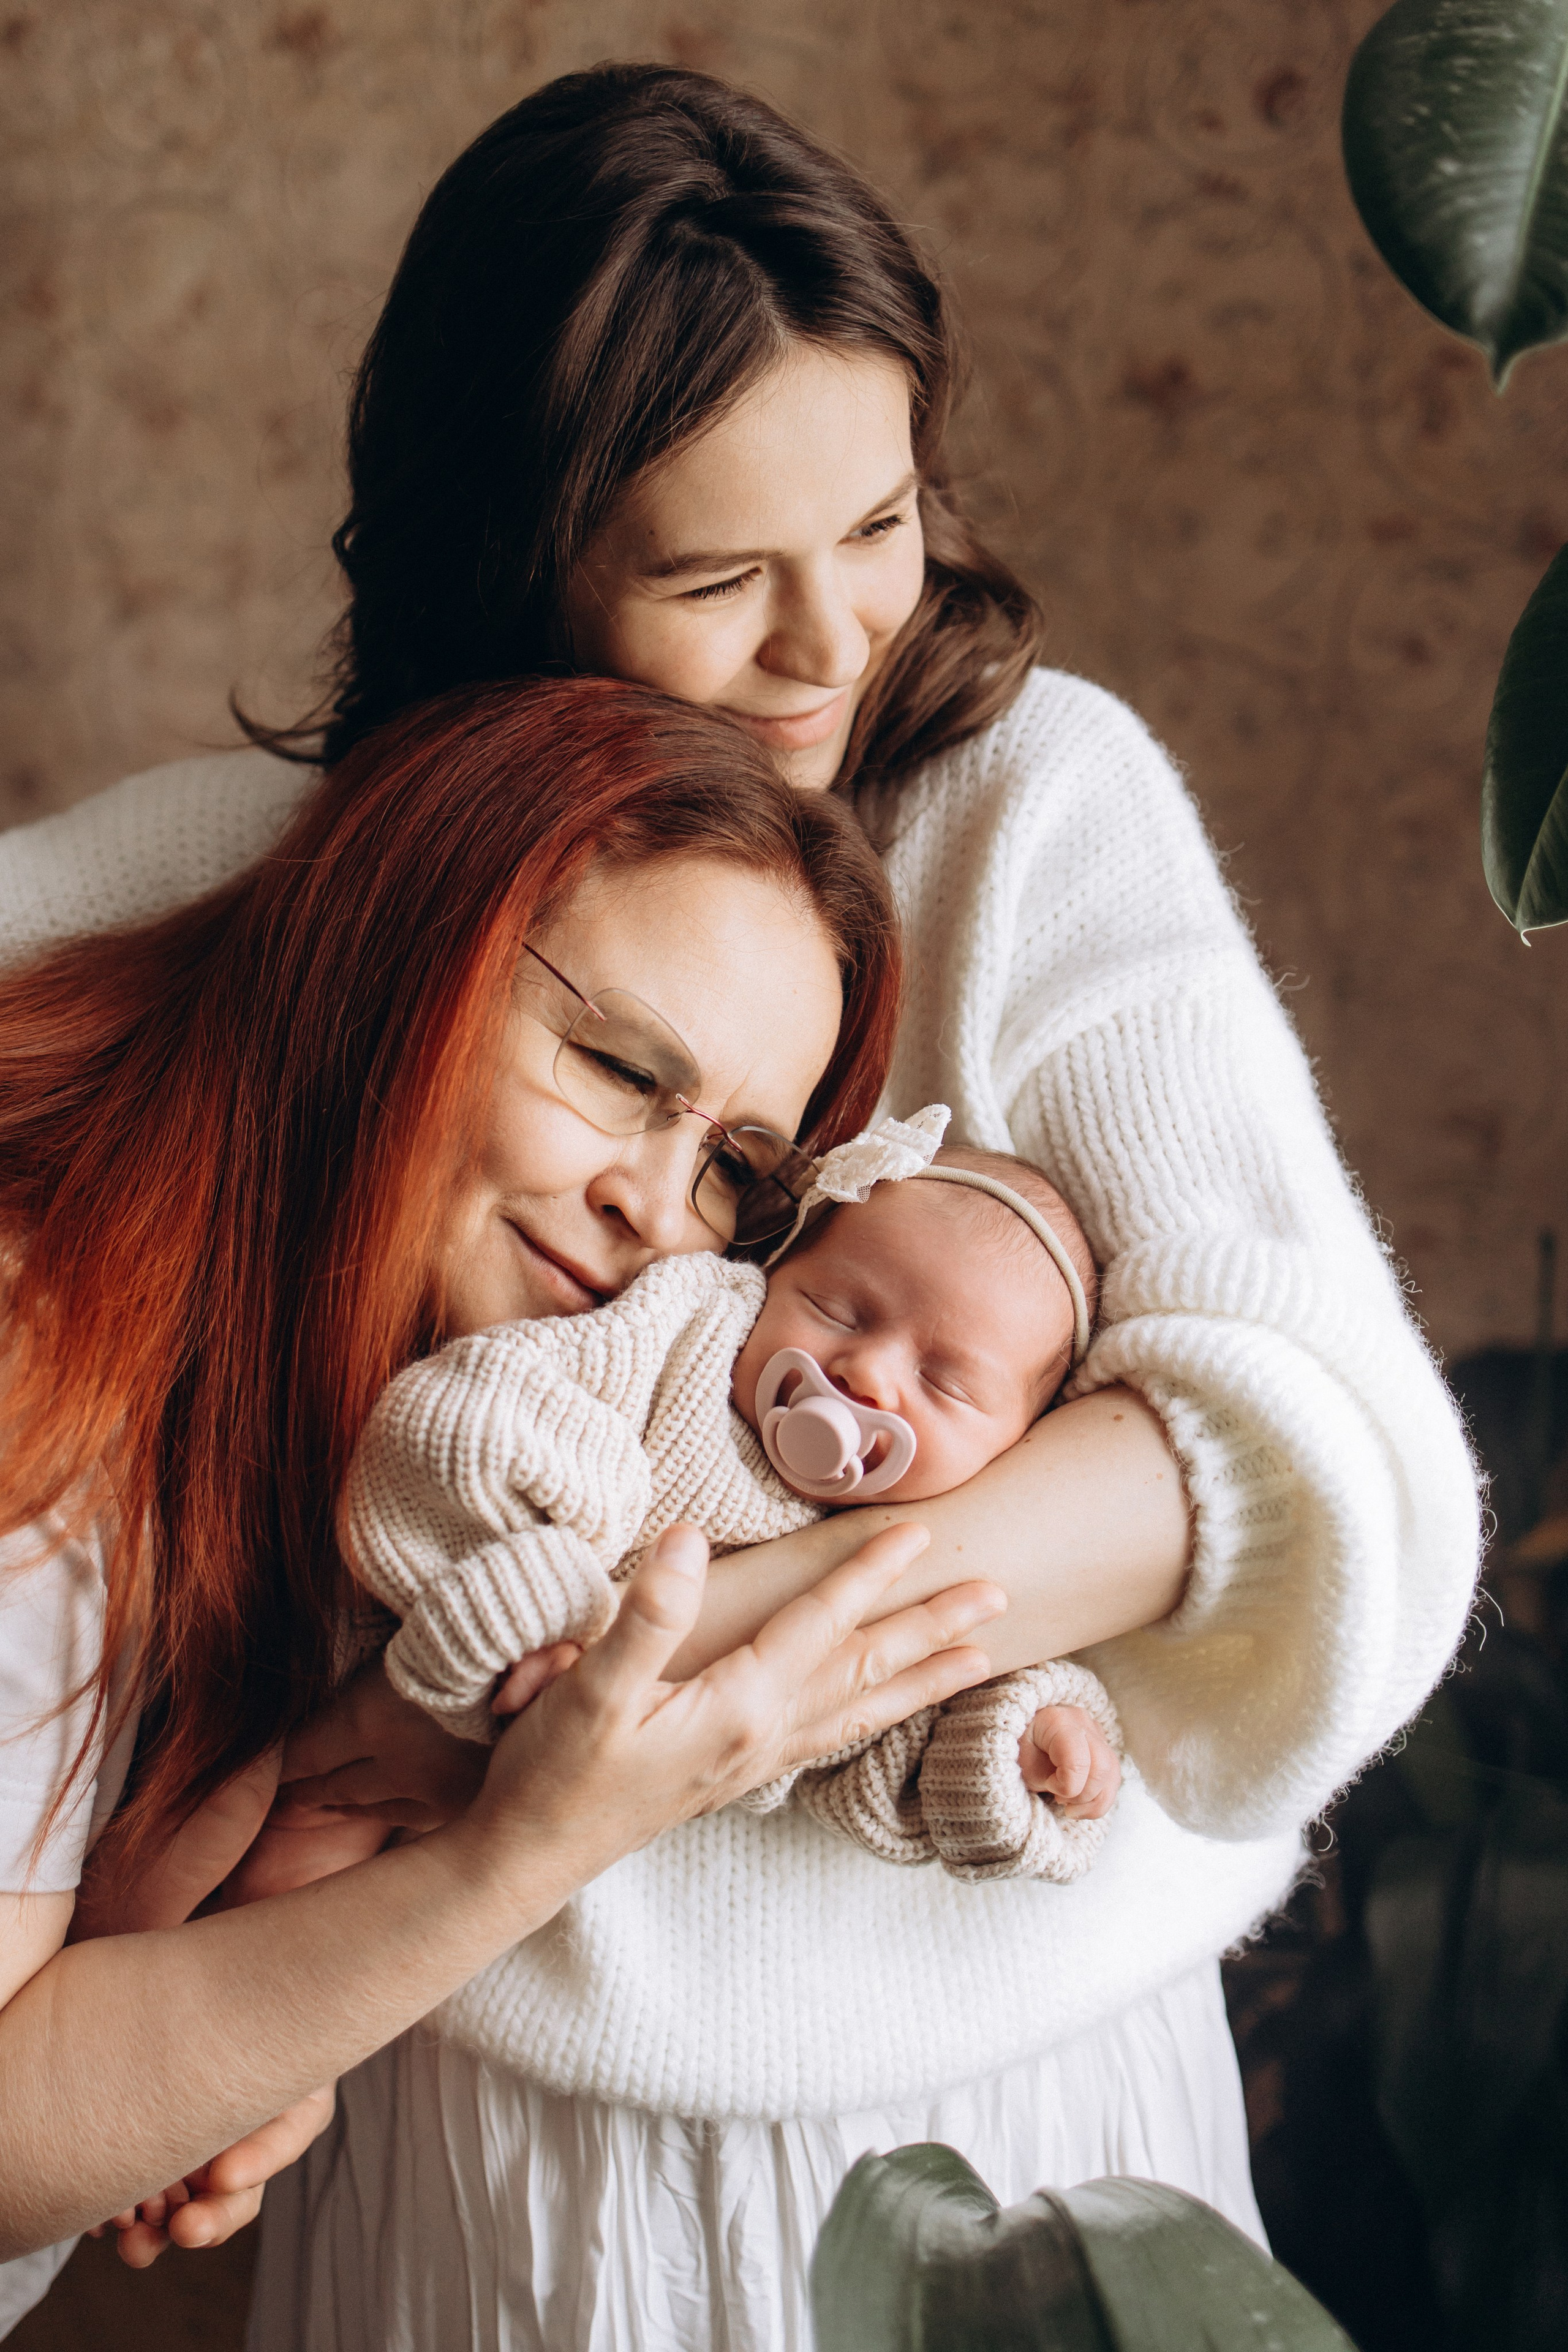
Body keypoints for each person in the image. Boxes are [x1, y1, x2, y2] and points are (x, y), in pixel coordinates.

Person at [0, 63, 1478, 2351]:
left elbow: (1306, 1457)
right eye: (715, 576)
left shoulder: (1028, 806)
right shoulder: (327, 888)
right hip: (473, 2121)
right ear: (515, 570)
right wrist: (376, 1854)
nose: (833, 647)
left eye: (880, 524)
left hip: (1014, 2096)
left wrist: (589, 1691)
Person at [0, 679, 1005, 2335]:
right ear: (403, 944)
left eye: (735, 1172)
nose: (655, 1205)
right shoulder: (37, 1349)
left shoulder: (360, 1389)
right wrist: (525, 1851)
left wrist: (220, 2026)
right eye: (617, 1067)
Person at [331, 1110, 1124, 1897]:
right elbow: (470, 1423)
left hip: (502, 1841)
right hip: (357, 1662)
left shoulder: (923, 1545)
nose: (868, 1374)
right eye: (838, 1310)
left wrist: (1019, 1739)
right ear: (777, 1269)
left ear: (1013, 1450)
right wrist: (551, 1617)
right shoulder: (685, 1333)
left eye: (944, 1384)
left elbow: (884, 1720)